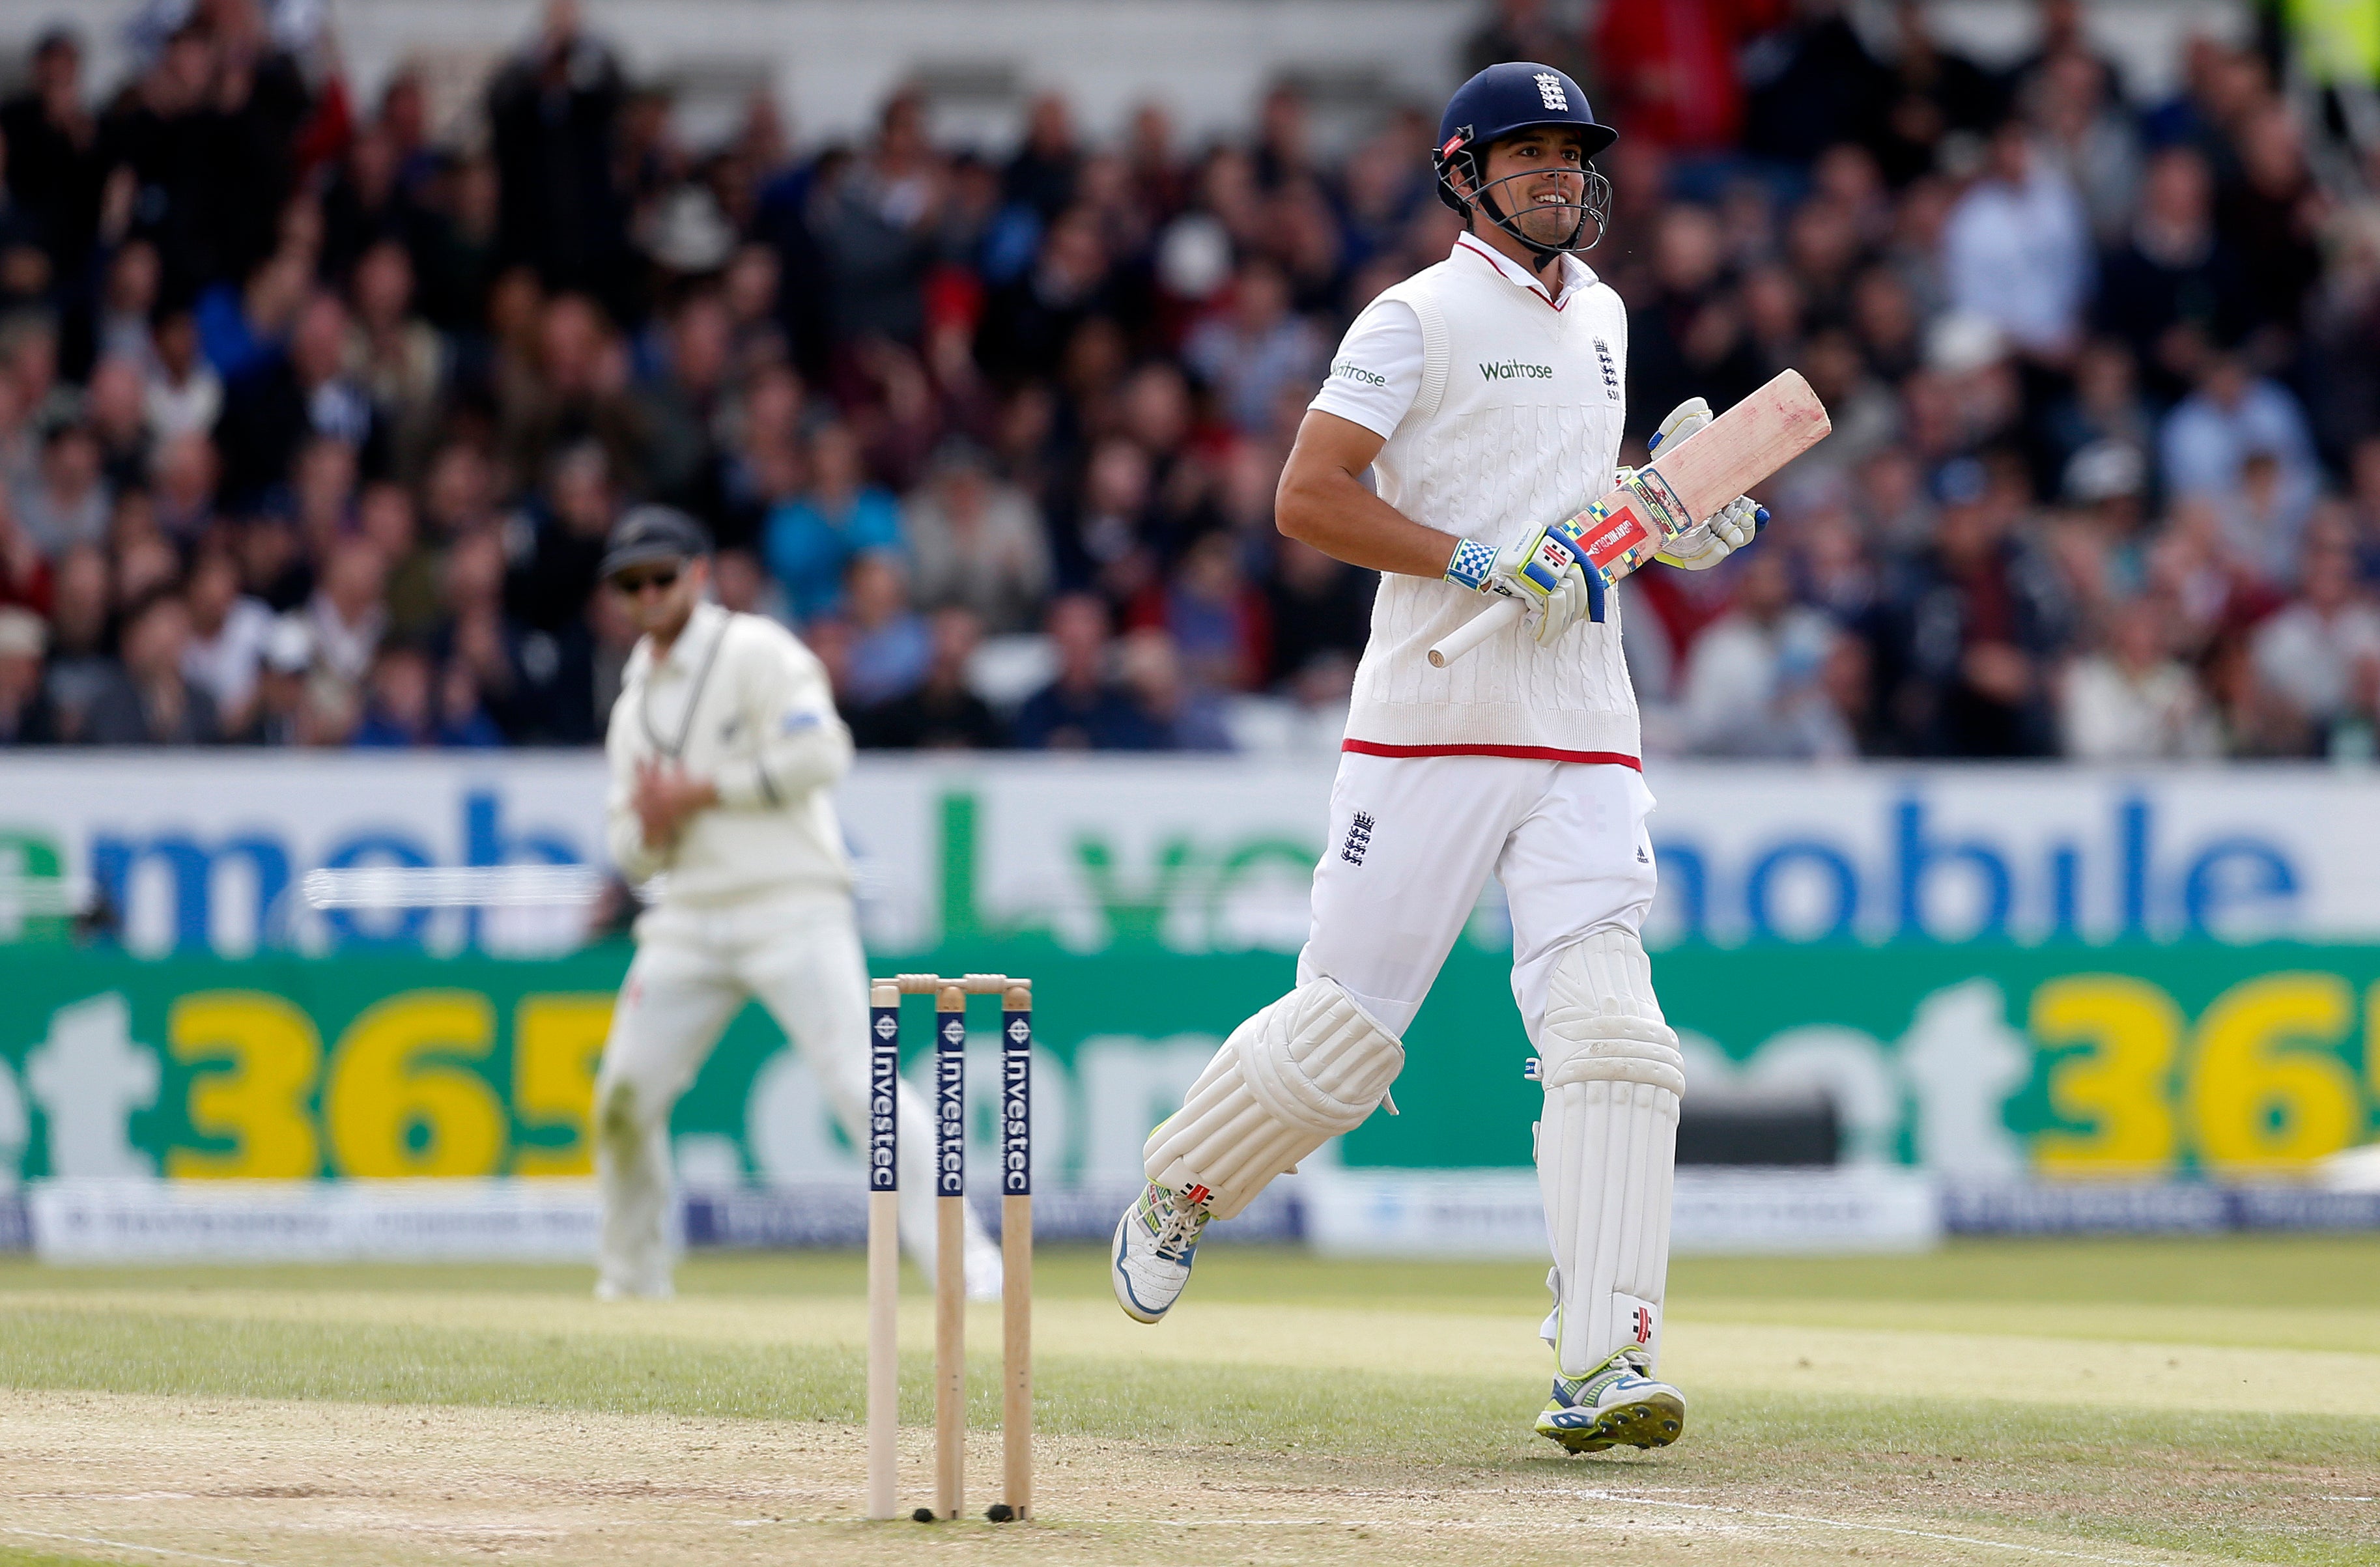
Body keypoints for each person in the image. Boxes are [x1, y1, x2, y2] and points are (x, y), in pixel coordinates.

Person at [1105, 63, 1764, 1457]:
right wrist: (1471, 556)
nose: (1560, 180)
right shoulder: (1411, 317)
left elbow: (1576, 518)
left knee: (1618, 1041)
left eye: (1574, 158)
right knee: (1346, 1040)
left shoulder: (1609, 317)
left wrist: (1669, 519)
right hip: (1431, 718)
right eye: (1528, 158)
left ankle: (1603, 1359)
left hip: (1585, 723)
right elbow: (1306, 499)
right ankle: (1184, 1179)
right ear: (1463, 173)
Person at [590, 505, 998, 1301]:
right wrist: (651, 820)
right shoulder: (633, 699)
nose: (647, 595)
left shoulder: (754, 650)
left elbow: (822, 752)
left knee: (860, 1084)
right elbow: (628, 848)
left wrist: (701, 791)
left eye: (661, 577)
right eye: (630, 584)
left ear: (699, 576)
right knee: (622, 1101)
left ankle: (966, 1261)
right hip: (687, 917)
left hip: (793, 901)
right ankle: (632, 1282)